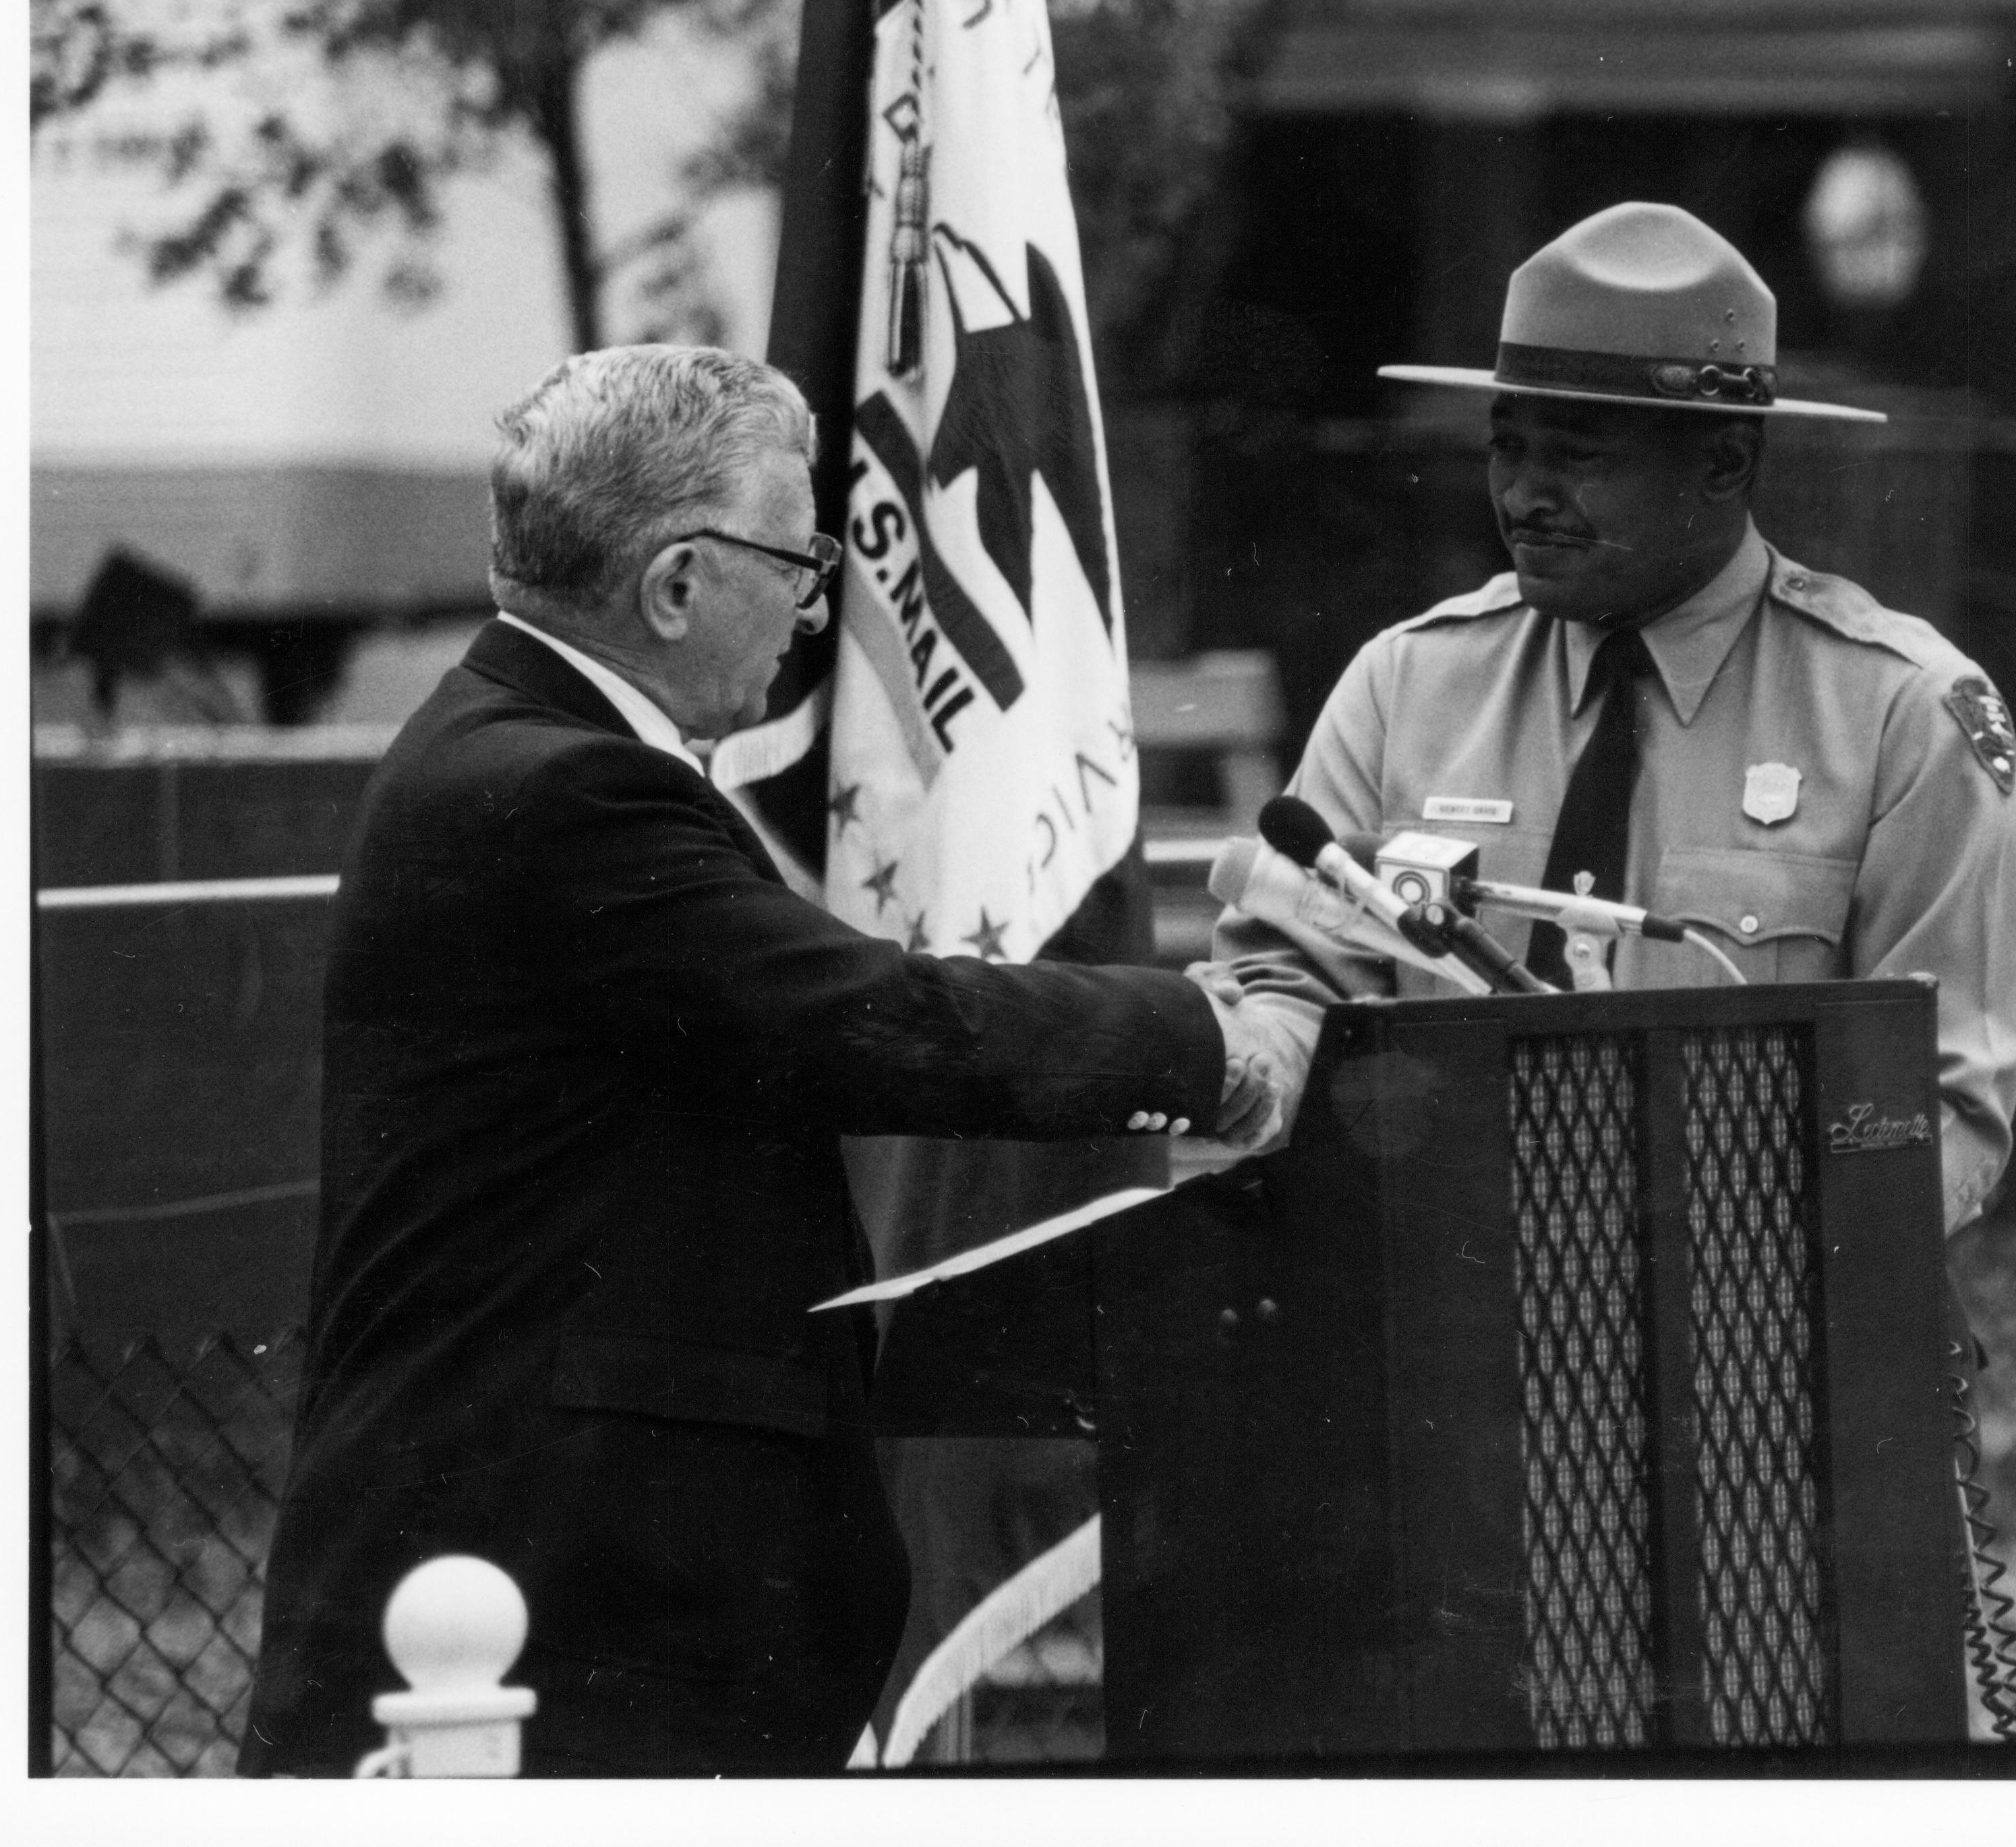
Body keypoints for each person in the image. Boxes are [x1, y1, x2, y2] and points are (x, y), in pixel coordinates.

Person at [241, 345, 1283, 1778]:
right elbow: (866, 1020)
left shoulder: (510, 750)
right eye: (799, 564)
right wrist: (1210, 1038)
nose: (812, 610)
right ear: (674, 584)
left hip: (539, 1570)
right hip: (547, 1601)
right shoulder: (563, 787)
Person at [1217, 201, 2016, 1240]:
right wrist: (1259, 1066)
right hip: (1447, 1320)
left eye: (1579, 456)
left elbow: (1943, 1117)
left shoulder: (1900, 715)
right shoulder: (1407, 684)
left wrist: (1709, 1277)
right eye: (1505, 446)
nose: (1525, 494)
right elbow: (1287, 972)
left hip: (1760, 1340)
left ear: (1727, 464)